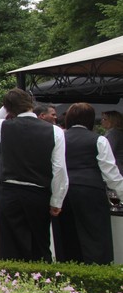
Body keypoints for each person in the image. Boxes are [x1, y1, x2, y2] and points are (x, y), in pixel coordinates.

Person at [0, 88, 68, 262]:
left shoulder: (4, 126)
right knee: (40, 243)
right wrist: (57, 200)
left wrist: (5, 109)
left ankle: (13, 276)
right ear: (31, 104)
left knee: (10, 246)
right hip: (38, 193)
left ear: (8, 108)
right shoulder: (55, 131)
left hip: (9, 192)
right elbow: (59, 168)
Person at [58, 103, 123, 264]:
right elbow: (110, 173)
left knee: (68, 237)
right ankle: (97, 270)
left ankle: (69, 271)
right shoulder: (99, 139)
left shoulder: (59, 138)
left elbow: (56, 167)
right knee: (96, 238)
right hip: (90, 191)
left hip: (65, 191)